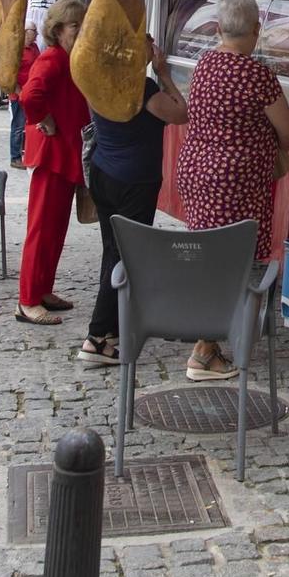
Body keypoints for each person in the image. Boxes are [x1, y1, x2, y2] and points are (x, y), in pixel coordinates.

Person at [175, 0, 289, 380]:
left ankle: (211, 340)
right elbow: (288, 131)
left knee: (209, 257)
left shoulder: (205, 64)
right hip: (236, 184)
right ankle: (206, 350)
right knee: (232, 261)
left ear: (219, 28)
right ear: (256, 30)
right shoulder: (256, 74)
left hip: (198, 174)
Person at [76, 35, 188, 366]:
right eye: (149, 44)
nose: (155, 49)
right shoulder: (144, 89)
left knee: (113, 250)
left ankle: (111, 328)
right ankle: (97, 337)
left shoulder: (99, 81)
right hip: (134, 179)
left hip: (104, 172)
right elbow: (181, 113)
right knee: (124, 255)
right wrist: (164, 73)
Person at [16, 0, 88, 325]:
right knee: (42, 229)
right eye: (76, 25)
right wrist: (44, 119)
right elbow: (30, 96)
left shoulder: (68, 58)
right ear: (58, 30)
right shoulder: (53, 58)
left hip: (65, 153)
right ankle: (28, 300)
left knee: (55, 229)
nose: (81, 30)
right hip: (52, 155)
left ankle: (42, 289)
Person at [9, 23, 40, 165]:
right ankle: (15, 157)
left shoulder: (34, 48)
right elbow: (10, 74)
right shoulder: (16, 49)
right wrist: (19, 92)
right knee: (18, 126)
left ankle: (28, 155)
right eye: (34, 31)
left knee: (30, 125)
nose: (37, 34)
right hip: (19, 94)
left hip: (31, 93)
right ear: (27, 32)